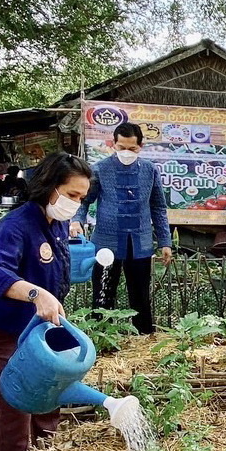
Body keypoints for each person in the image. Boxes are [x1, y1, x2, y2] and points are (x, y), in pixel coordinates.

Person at [0, 152, 93, 451]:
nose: (75, 204)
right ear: (49, 187)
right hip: (3, 329)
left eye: (81, 198)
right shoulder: (17, 224)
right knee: (15, 407)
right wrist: (35, 292)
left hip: (39, 331)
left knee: (48, 398)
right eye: (71, 195)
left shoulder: (55, 224)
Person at [75, 121, 173, 334]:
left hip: (140, 243)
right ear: (113, 144)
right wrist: (76, 220)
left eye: (132, 149)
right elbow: (84, 200)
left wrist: (165, 241)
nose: (126, 152)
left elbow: (158, 207)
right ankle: (101, 338)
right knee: (103, 294)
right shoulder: (100, 169)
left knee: (140, 296)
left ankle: (144, 338)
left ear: (141, 147)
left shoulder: (150, 170)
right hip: (106, 243)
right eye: (121, 148)